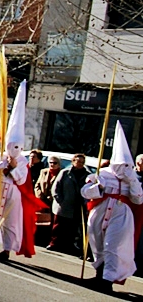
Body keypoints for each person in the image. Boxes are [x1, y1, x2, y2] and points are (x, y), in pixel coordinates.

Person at [0, 80, 37, 261]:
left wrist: (11, 168)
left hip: (13, 193)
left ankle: (6, 250)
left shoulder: (23, 161)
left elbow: (21, 179)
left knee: (11, 222)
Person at [82, 122, 143, 292]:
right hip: (101, 211)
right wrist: (98, 188)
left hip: (121, 213)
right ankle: (99, 276)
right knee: (98, 244)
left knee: (112, 246)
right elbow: (85, 192)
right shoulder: (102, 174)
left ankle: (107, 281)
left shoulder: (132, 179)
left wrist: (132, 181)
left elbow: (138, 199)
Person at [49, 153, 88, 254]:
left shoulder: (86, 175)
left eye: (82, 162)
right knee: (58, 226)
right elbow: (56, 187)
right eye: (78, 161)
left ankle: (68, 246)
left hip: (76, 206)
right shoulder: (65, 172)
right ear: (73, 161)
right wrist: (59, 199)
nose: (80, 164)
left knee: (72, 228)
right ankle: (54, 244)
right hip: (63, 205)